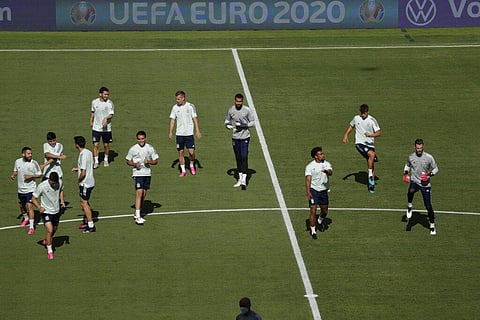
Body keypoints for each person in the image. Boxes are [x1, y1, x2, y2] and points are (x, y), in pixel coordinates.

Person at [10, 147, 51, 234]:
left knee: (30, 206)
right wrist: (13, 175)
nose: (30, 155)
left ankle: (31, 227)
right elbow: (16, 171)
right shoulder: (17, 161)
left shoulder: (34, 163)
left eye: (31, 153)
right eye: (28, 153)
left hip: (31, 188)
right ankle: (26, 218)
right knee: (22, 206)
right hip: (21, 189)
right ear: (23, 154)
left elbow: (40, 174)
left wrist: (31, 176)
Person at [342, 103, 381, 193]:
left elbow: (379, 132)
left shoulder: (372, 120)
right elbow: (351, 126)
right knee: (371, 155)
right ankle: (370, 175)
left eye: (365, 113)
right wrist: (345, 135)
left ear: (368, 112)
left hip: (370, 144)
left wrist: (370, 135)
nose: (363, 115)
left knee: (371, 162)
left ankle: (371, 186)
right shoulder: (356, 118)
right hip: (360, 143)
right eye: (362, 113)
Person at [403, 138, 439, 235]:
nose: (419, 150)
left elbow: (436, 169)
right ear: (414, 147)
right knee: (410, 192)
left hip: (425, 184)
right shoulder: (411, 157)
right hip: (415, 181)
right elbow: (407, 166)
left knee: (428, 206)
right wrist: (405, 174)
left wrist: (429, 175)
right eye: (418, 148)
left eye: (421, 148)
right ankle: (410, 206)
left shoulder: (428, 157)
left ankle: (432, 225)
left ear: (423, 147)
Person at [125, 130, 159, 225]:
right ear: (137, 139)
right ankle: (138, 216)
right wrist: (134, 164)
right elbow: (127, 161)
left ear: (145, 138)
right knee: (139, 193)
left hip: (147, 173)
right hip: (137, 173)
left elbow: (156, 161)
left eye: (142, 139)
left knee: (143, 194)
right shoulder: (133, 149)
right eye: (139, 139)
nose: (141, 141)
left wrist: (149, 162)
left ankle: (137, 212)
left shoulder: (150, 148)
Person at [224, 93, 255, 190]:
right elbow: (226, 121)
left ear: (242, 101)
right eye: (237, 101)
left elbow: (253, 122)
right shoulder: (231, 110)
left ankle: (244, 180)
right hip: (235, 137)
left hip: (245, 137)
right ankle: (240, 178)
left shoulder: (247, 110)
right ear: (234, 101)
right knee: (238, 158)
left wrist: (244, 126)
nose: (238, 103)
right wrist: (228, 126)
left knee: (244, 157)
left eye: (240, 101)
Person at [31, 172, 65, 260]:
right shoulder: (42, 186)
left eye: (55, 183)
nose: (54, 185)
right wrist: (39, 207)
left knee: (54, 229)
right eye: (53, 183)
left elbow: (61, 190)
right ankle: (50, 250)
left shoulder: (59, 182)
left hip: (56, 211)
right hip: (46, 211)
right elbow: (33, 198)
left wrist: (62, 201)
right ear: (49, 180)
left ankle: (47, 240)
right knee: (49, 230)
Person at [168, 90, 201, 177]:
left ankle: (191, 164)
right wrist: (170, 131)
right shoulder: (175, 108)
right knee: (180, 153)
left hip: (189, 133)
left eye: (178, 99)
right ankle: (183, 170)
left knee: (191, 152)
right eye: (176, 99)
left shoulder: (190, 106)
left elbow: (194, 118)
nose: (177, 101)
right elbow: (172, 119)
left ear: (183, 98)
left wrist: (197, 130)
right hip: (179, 134)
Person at [305, 147, 333, 240]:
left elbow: (330, 172)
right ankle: (313, 230)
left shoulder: (326, 164)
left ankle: (319, 221)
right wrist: (308, 192)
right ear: (315, 156)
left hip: (324, 190)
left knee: (324, 211)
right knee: (313, 209)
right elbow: (308, 180)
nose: (323, 155)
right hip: (314, 190)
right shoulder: (309, 166)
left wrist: (326, 171)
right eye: (321, 154)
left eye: (322, 153)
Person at [72, 136, 96, 233]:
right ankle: (87, 221)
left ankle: (91, 225)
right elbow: (88, 166)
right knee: (84, 201)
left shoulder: (82, 155)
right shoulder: (89, 152)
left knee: (84, 203)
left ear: (77, 145)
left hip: (86, 183)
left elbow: (83, 173)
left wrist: (79, 181)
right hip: (90, 181)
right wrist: (77, 169)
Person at [90, 86, 114, 168]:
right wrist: (91, 121)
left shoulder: (110, 103)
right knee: (96, 145)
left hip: (106, 129)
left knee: (106, 145)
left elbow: (111, 115)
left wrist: (105, 118)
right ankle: (96, 161)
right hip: (96, 128)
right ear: (100, 94)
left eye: (107, 94)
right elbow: (93, 112)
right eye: (105, 94)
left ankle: (106, 159)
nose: (106, 96)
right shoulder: (94, 102)